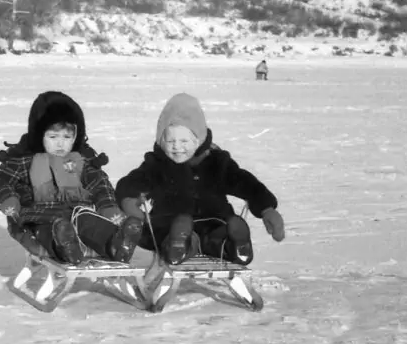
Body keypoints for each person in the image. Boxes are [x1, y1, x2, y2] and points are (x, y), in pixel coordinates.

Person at [115, 93, 285, 266]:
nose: (177, 147)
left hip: (172, 219)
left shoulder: (211, 163)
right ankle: (231, 244)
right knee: (214, 238)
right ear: (161, 139)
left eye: (184, 141)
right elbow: (133, 182)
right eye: (170, 141)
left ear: (199, 139)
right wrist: (129, 197)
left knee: (164, 238)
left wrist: (266, 207)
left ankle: (189, 244)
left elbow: (246, 183)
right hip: (211, 220)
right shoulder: (160, 164)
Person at [0, 91, 143, 265]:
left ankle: (116, 244)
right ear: (40, 135)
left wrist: (107, 207)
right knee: (54, 231)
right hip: (40, 218)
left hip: (76, 213)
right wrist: (8, 199)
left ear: (76, 136)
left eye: (67, 137)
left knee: (90, 223)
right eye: (53, 137)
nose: (60, 143)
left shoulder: (79, 162)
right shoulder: (25, 161)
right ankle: (65, 248)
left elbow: (99, 183)